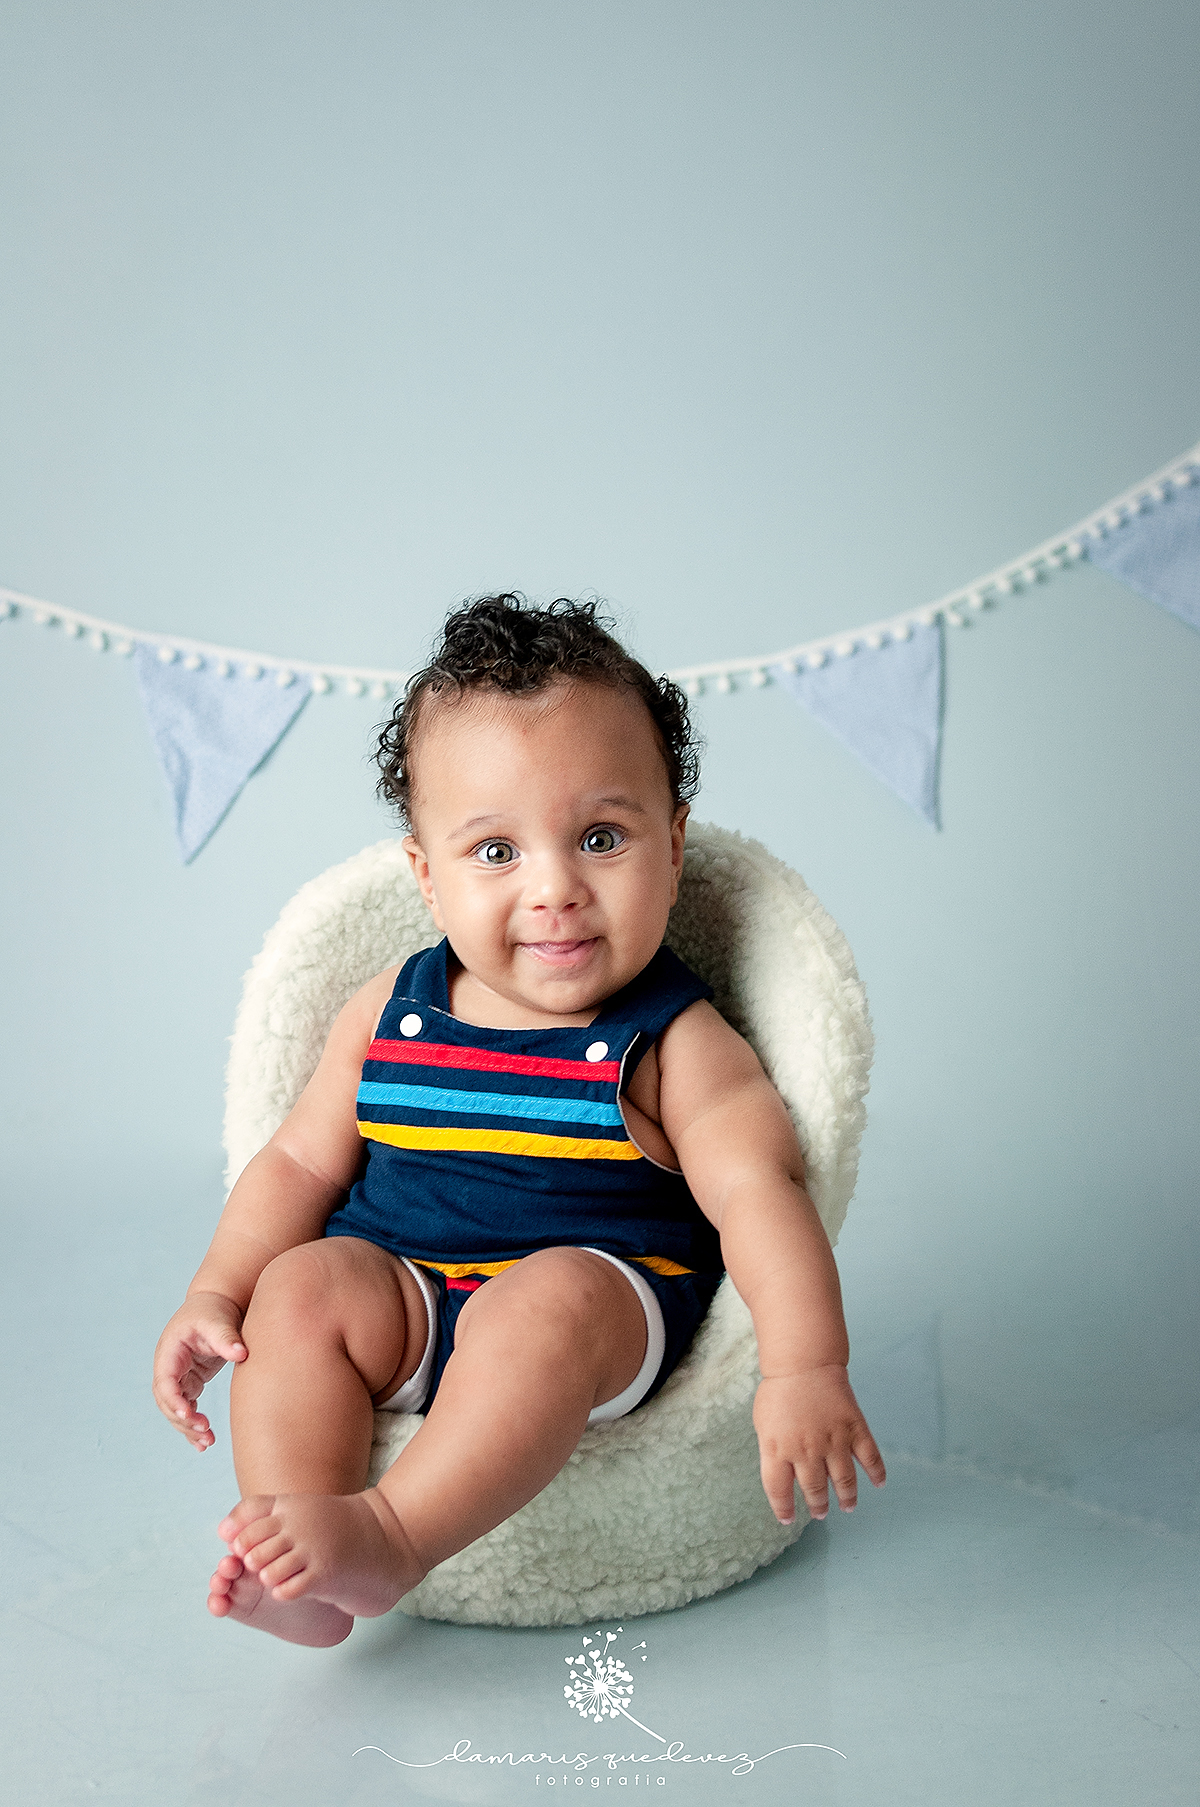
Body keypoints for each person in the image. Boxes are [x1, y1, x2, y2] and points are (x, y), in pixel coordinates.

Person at [152, 594, 885, 1648]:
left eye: (601, 837)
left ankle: (393, 1535)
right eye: (496, 851)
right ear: (428, 876)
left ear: (674, 846)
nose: (555, 889)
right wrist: (216, 1294)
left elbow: (762, 1195)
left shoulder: (673, 1042)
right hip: (409, 1294)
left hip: (598, 1309)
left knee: (544, 1303)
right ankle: (298, 1541)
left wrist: (806, 1367)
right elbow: (299, 1163)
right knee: (300, 1286)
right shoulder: (389, 1009)